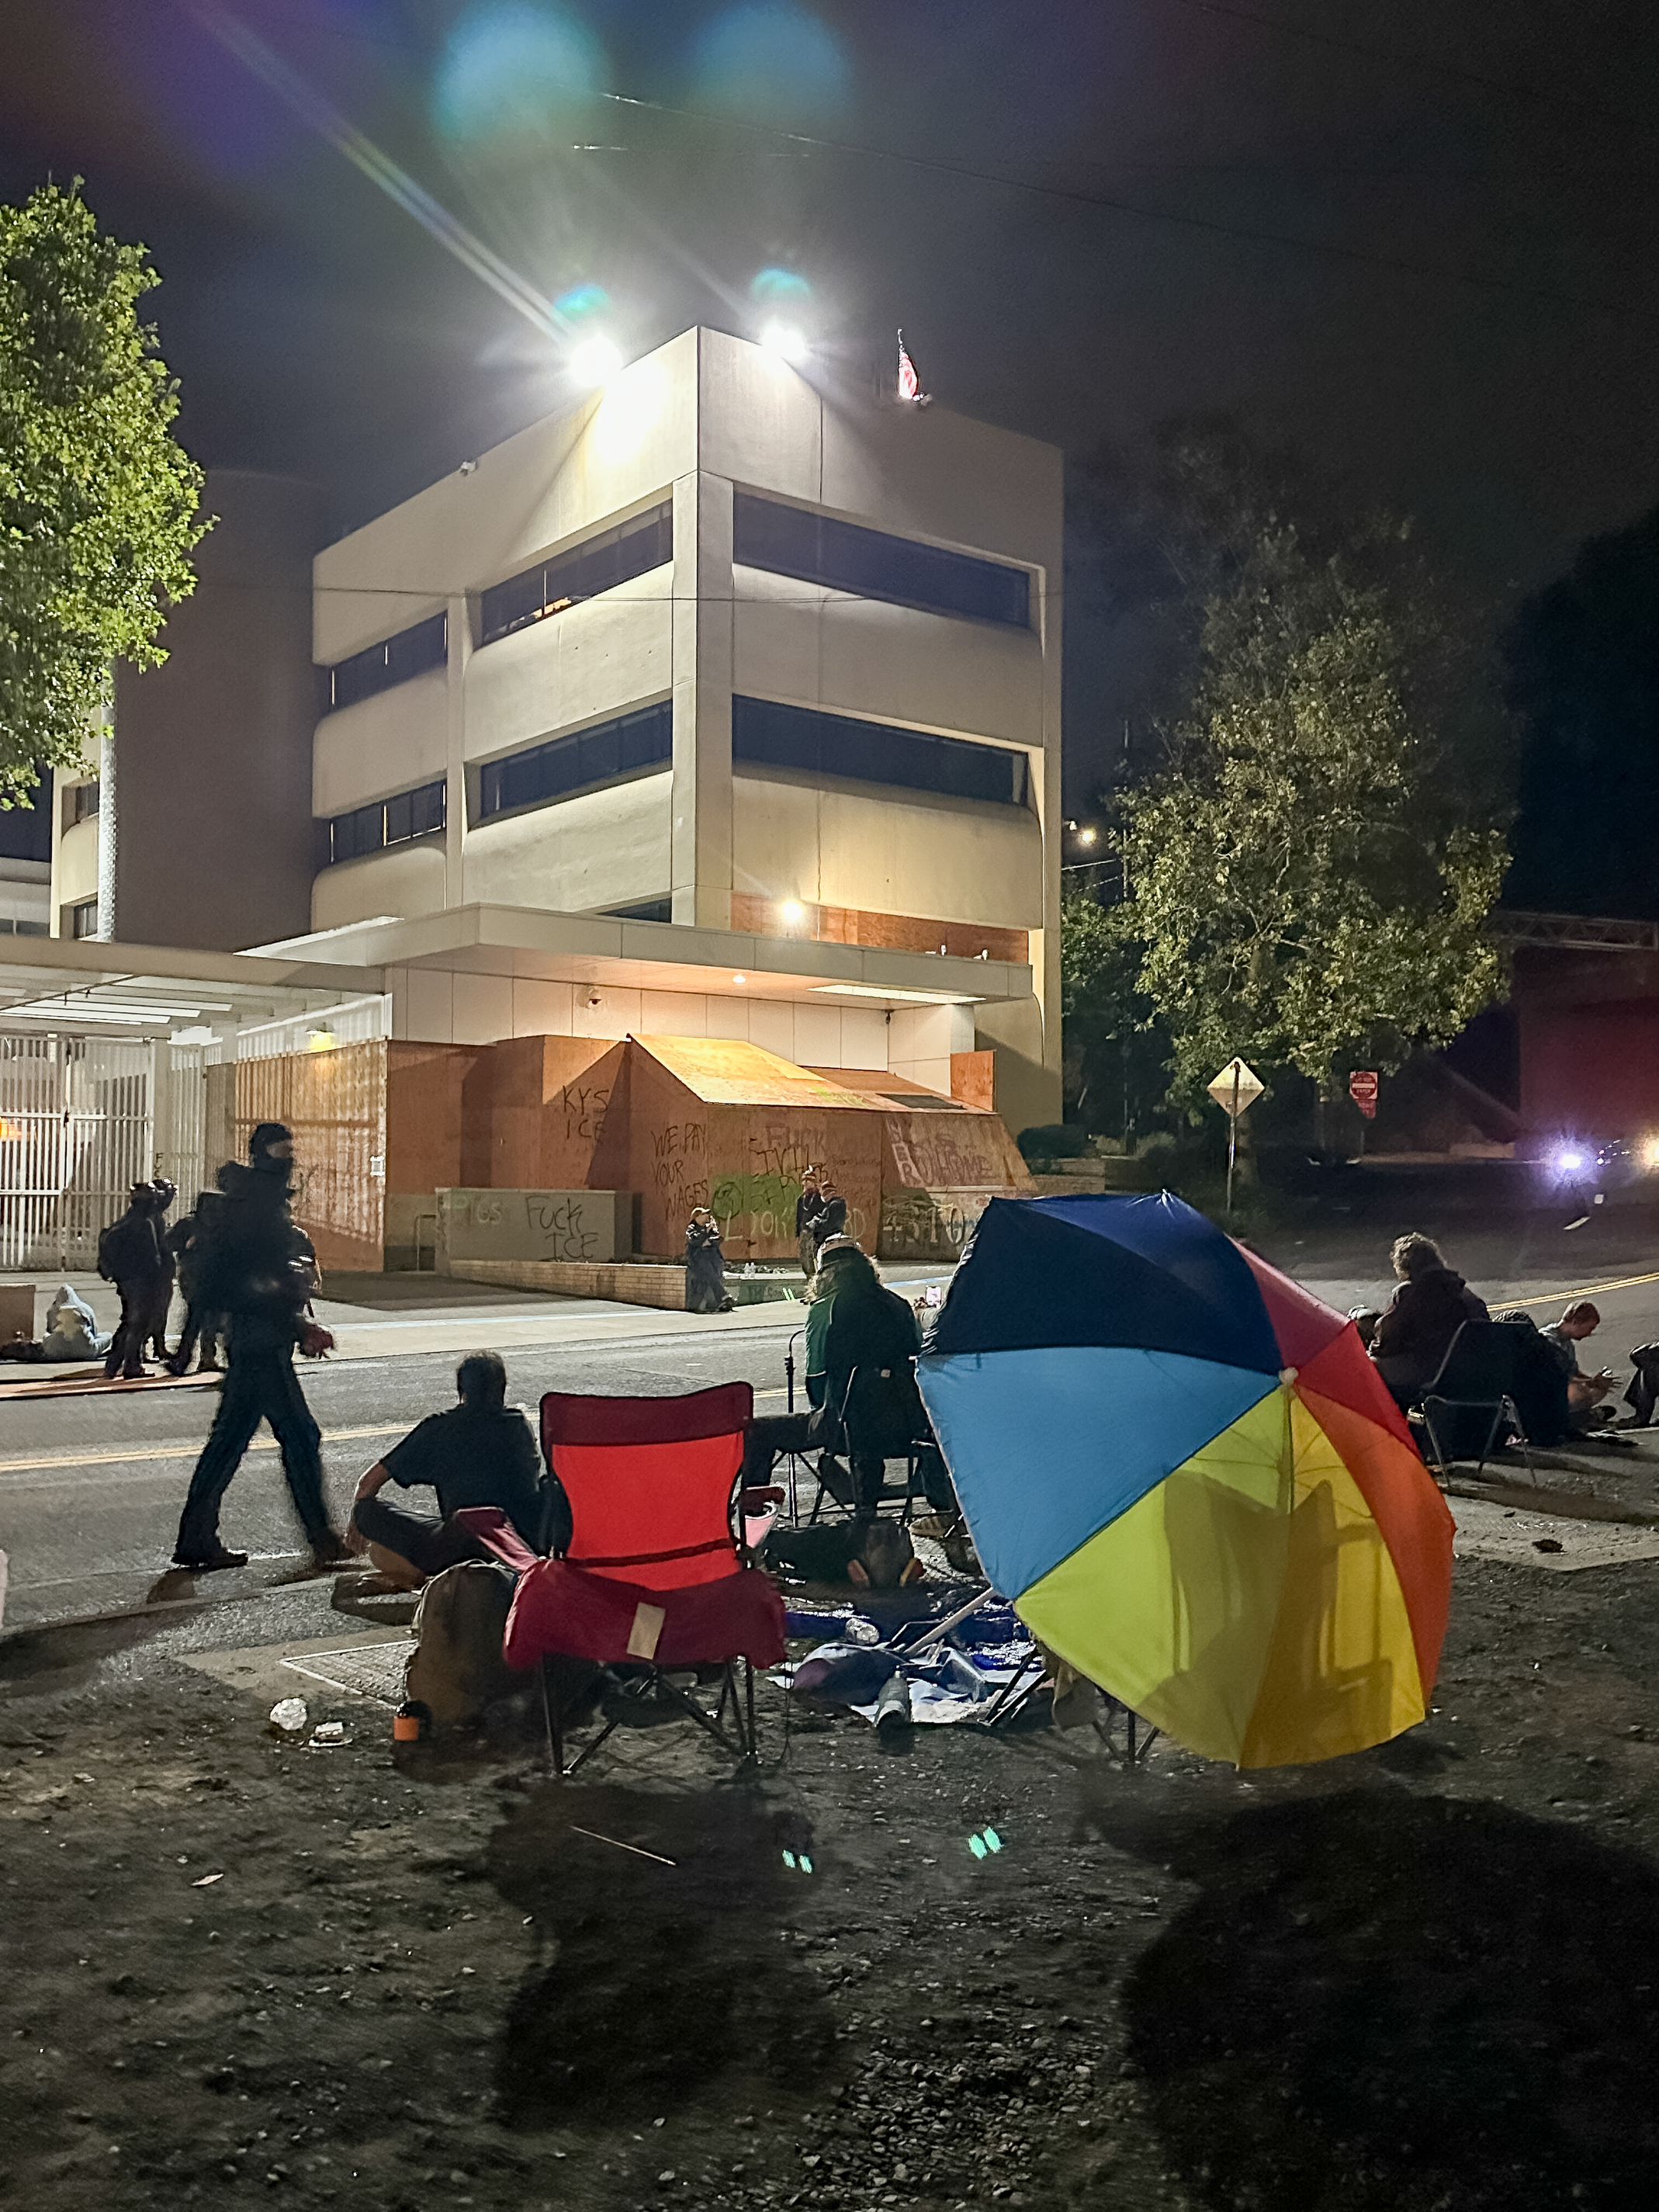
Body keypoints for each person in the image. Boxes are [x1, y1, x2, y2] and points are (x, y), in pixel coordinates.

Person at [171, 1122, 349, 1574]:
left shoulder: (261, 1203)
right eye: (278, 1148)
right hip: (259, 1342)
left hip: (254, 1340)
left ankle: (196, 1536)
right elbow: (244, 1282)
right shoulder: (257, 1207)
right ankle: (322, 1539)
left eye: (289, 1148)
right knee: (300, 1435)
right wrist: (295, 1321)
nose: (287, 1156)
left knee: (230, 1439)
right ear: (260, 1153)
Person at [740, 1239, 924, 1513]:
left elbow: (818, 1386)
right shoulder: (899, 1305)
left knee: (758, 1429)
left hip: (846, 1428)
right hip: (905, 1428)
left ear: (823, 1273)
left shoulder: (827, 1307)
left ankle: (752, 1520)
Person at [345, 1350, 552, 1590]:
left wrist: (356, 1524)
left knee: (367, 1511)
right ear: (502, 1388)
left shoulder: (440, 1428)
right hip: (521, 1543)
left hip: (459, 1546)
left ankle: (418, 1576)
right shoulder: (518, 1426)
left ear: (461, 1389)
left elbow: (368, 1482)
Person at [1367, 1232, 1488, 1409]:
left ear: (1404, 1266)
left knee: (1366, 1365)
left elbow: (1386, 1343)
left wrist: (1371, 1343)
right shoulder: (1465, 1294)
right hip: (1469, 1373)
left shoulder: (1410, 1293)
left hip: (1432, 1373)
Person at [98, 1177, 174, 1381]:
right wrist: (158, 1280)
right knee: (139, 1322)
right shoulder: (145, 1223)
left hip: (126, 1280)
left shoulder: (127, 1221)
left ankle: (113, 1365)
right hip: (143, 1281)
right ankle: (131, 1365)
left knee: (130, 1320)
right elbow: (153, 1257)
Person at [166, 1191, 227, 1375]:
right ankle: (197, 1358)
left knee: (201, 1318)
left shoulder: (211, 1225)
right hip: (199, 1278)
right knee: (203, 1318)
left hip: (203, 1278)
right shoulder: (198, 1225)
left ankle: (195, 1358)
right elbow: (170, 1243)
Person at [1540, 1301, 1619, 1423]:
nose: (1589, 1334)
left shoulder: (1568, 1344)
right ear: (1575, 1322)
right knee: (1579, 1391)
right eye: (1589, 1328)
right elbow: (1559, 1376)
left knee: (1598, 1390)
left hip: (1560, 1386)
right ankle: (1580, 1418)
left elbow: (1573, 1372)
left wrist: (1595, 1381)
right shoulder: (1548, 1341)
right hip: (1545, 1390)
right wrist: (1590, 1382)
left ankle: (1581, 1415)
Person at [40, 1284, 110, 1362]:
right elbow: (94, 1331)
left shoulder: (52, 1311)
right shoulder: (86, 1309)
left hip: (55, 1352)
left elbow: (49, 1331)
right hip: (86, 1351)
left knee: (46, 1337)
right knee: (108, 1336)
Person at [684, 1207, 733, 1314]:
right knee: (710, 1275)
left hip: (712, 1258)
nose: (706, 1217)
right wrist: (705, 1235)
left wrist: (706, 1240)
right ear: (697, 1216)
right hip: (699, 1259)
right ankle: (723, 1297)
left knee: (708, 1279)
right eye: (703, 1215)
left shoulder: (710, 1228)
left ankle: (718, 1301)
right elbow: (695, 1242)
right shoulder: (692, 1228)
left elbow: (717, 1239)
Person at [795, 1168, 826, 1279]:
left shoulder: (819, 1199)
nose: (806, 1184)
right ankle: (808, 1275)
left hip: (815, 1232)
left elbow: (823, 1214)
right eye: (804, 1181)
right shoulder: (802, 1199)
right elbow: (799, 1216)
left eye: (808, 1181)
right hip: (804, 1231)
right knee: (804, 1254)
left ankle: (815, 1276)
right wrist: (798, 1231)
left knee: (812, 1253)